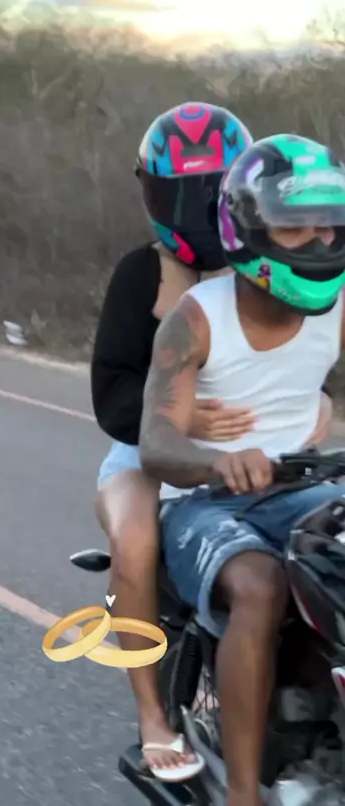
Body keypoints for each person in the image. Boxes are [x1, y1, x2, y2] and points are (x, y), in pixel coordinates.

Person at [91, 106, 332, 783]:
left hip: (266, 455)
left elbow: (299, 364)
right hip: (149, 449)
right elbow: (112, 393)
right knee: (135, 540)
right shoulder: (143, 275)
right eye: (180, 194)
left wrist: (321, 403)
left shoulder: (282, 255)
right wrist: (189, 424)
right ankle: (152, 716)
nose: (194, 209)